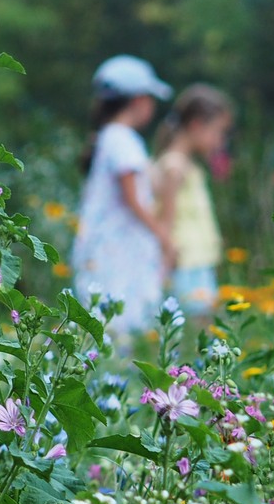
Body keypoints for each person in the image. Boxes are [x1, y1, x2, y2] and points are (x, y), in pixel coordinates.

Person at [71, 55, 172, 338]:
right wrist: (164, 236)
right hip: (116, 249)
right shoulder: (124, 140)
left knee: (106, 325)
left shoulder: (108, 137)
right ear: (139, 100)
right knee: (118, 323)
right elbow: (133, 199)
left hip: (106, 246)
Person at [150, 85, 234, 319]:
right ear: (197, 125)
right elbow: (165, 220)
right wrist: (164, 269)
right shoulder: (174, 167)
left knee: (201, 334)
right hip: (184, 265)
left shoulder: (188, 165)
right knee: (193, 335)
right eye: (218, 131)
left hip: (197, 262)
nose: (220, 140)